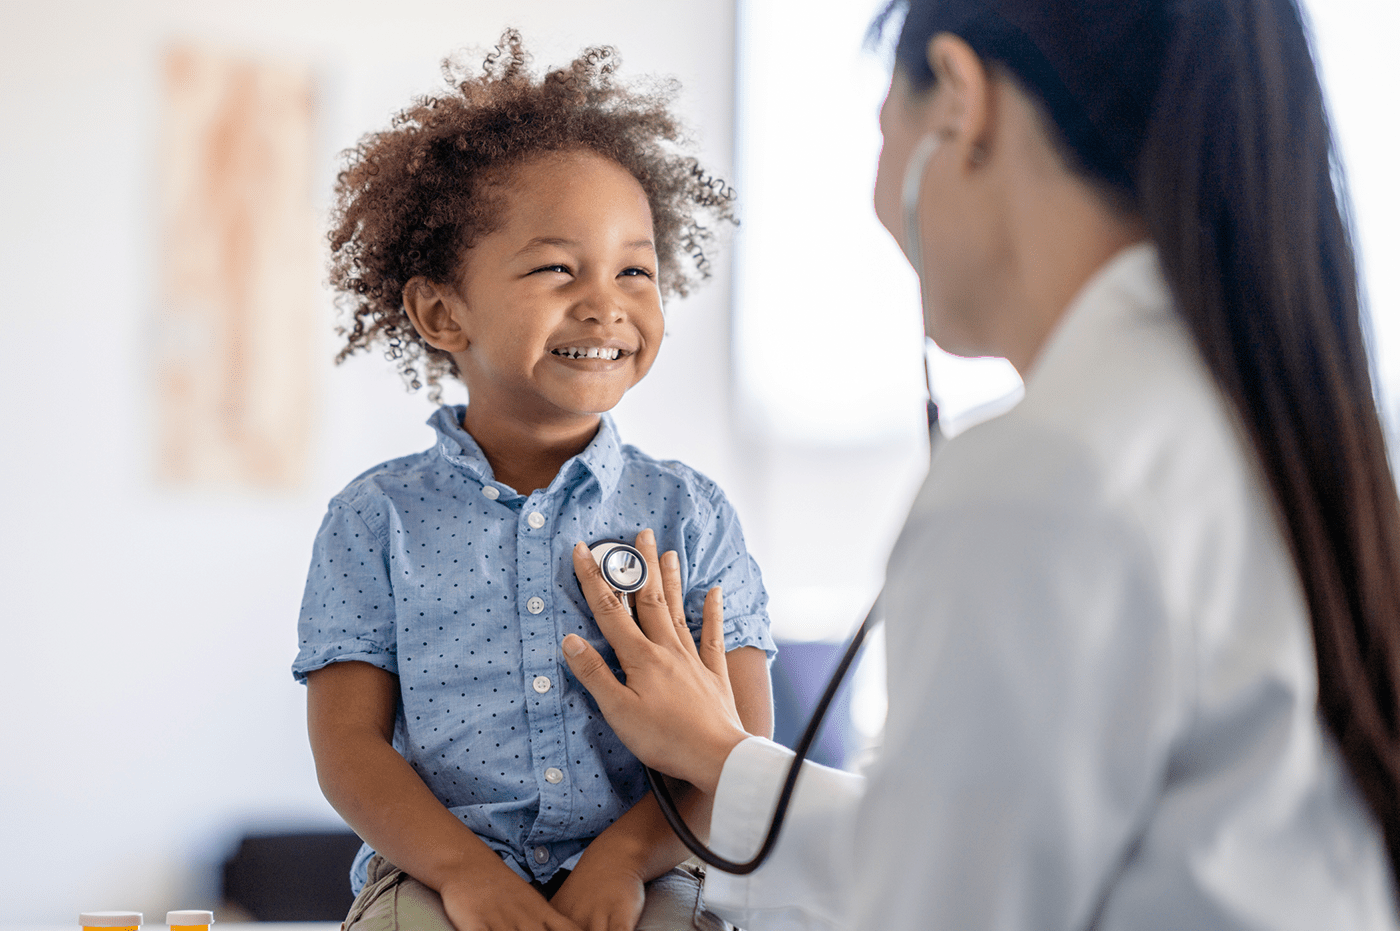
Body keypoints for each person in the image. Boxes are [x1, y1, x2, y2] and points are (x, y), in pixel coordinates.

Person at [559, 1, 1400, 928]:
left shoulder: (1045, 474)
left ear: (960, 102)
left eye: (885, 131)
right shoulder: (1256, 419)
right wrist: (727, 762)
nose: (882, 208)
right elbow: (1000, 843)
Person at [291, 31, 775, 931]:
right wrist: (465, 874)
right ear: (442, 310)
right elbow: (349, 749)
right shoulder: (374, 519)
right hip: (437, 878)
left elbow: (741, 750)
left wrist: (626, 860)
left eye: (635, 268)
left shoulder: (690, 514)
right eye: (559, 267)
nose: (606, 302)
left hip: (653, 869)